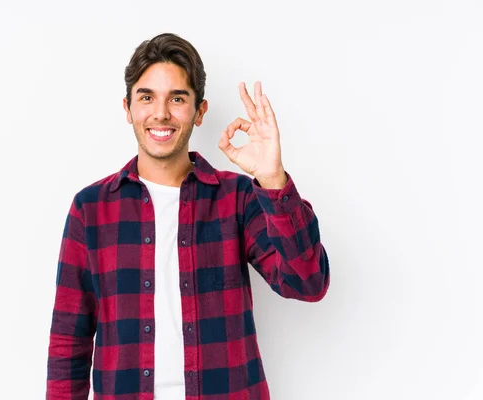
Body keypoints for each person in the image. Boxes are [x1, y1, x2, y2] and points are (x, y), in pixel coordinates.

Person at [46, 32, 330, 400]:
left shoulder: (238, 198)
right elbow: (69, 340)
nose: (160, 113)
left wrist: (272, 178)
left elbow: (308, 282)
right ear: (128, 107)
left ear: (199, 111)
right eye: (147, 97)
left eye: (177, 98)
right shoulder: (91, 209)